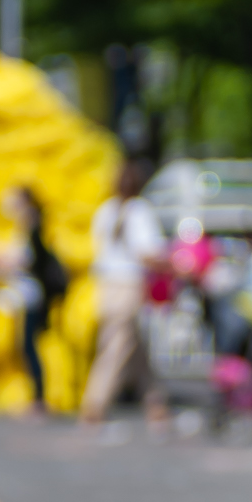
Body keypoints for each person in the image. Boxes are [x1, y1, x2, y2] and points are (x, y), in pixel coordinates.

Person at [78, 156, 167, 426]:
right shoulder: (139, 211)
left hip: (106, 284)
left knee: (136, 345)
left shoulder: (105, 211)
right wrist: (171, 263)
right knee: (117, 345)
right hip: (128, 283)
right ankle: (95, 402)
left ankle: (155, 401)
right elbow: (147, 252)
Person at [0, 185, 70, 416]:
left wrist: (8, 261)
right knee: (27, 345)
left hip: (31, 295)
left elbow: (33, 261)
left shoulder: (33, 227)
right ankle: (37, 397)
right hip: (26, 293)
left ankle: (39, 399)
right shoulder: (28, 226)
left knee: (29, 345)